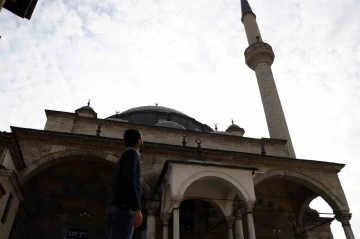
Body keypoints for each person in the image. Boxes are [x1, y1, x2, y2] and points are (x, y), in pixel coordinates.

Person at [106, 129, 143, 239]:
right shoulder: (131, 154)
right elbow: (129, 180)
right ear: (138, 141)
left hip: (118, 208)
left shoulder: (124, 157)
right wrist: (137, 208)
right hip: (123, 209)